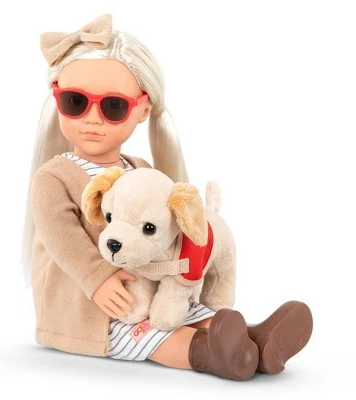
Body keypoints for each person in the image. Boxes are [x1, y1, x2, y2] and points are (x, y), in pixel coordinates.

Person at [22, 14, 313, 381]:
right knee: (153, 335)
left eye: (113, 107)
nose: (92, 119)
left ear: (142, 110)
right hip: (89, 310)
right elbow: (61, 238)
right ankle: (212, 355)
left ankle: (258, 341)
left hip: (145, 291)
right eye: (75, 101)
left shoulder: (139, 169)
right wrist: (98, 279)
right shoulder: (53, 178)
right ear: (56, 97)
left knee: (190, 315)